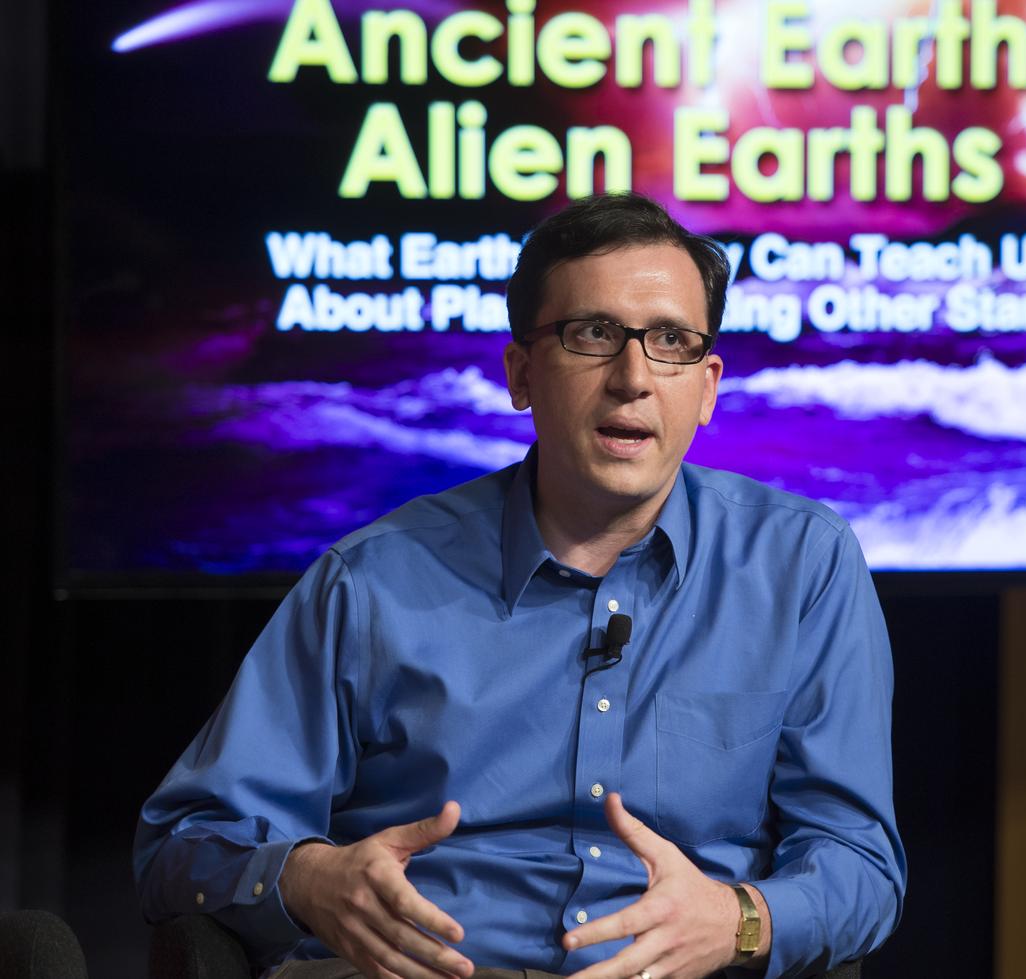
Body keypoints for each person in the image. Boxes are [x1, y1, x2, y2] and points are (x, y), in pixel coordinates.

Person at [135, 193, 906, 979]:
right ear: (522, 372)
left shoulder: (802, 564)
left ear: (707, 388)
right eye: (594, 334)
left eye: (671, 341)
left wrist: (738, 919)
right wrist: (308, 879)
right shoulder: (373, 579)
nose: (633, 377)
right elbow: (183, 844)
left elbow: (860, 864)